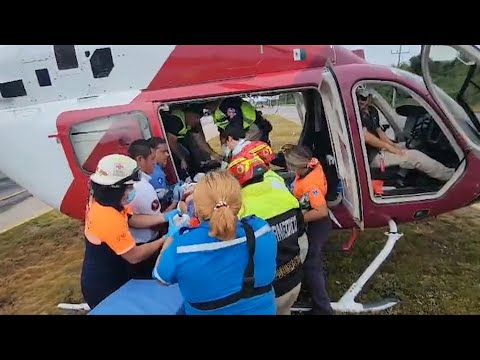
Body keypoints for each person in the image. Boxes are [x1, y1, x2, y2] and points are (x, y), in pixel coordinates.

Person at [152, 170, 278, 315]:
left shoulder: (182, 247)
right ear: (238, 202)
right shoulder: (261, 229)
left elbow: (161, 278)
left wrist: (170, 238)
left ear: (197, 208)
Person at [80, 154, 179, 309]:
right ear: (116, 188)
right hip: (105, 287)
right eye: (129, 187)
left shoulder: (105, 200)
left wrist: (166, 217)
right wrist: (165, 239)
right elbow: (135, 256)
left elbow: (131, 219)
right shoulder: (107, 217)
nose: (132, 190)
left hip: (118, 272)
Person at [227, 149, 307, 315]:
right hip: (294, 281)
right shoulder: (285, 197)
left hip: (268, 290)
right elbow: (301, 236)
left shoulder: (241, 211)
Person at [357, 88, 455, 182]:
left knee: (407, 145)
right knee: (414, 156)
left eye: (363, 98)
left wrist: (393, 145)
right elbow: (366, 136)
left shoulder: (372, 111)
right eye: (358, 98)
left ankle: (415, 177)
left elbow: (379, 132)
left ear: (370, 98)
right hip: (370, 156)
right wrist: (391, 148)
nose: (361, 101)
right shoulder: (356, 113)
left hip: (379, 149)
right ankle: (451, 177)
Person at [283, 145, 333, 315]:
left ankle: (323, 308)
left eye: (290, 165)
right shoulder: (310, 166)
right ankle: (308, 288)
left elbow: (321, 211)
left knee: (312, 262)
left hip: (317, 223)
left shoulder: (311, 184)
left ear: (298, 164)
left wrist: (297, 219)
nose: (289, 168)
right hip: (310, 217)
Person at [160, 103, 222, 179]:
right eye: (196, 117)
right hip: (165, 147)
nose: (198, 121)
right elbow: (171, 142)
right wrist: (182, 158)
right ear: (189, 114)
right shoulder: (176, 120)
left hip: (178, 143)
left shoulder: (190, 122)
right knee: (185, 156)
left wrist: (213, 154)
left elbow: (199, 138)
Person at [207, 96, 272, 144]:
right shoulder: (221, 113)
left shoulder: (228, 109)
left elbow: (236, 135)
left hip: (252, 127)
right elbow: (223, 133)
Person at [148, 137, 185, 212]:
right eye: (163, 152)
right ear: (152, 152)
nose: (167, 154)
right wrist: (175, 201)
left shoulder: (155, 170)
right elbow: (162, 208)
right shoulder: (156, 174)